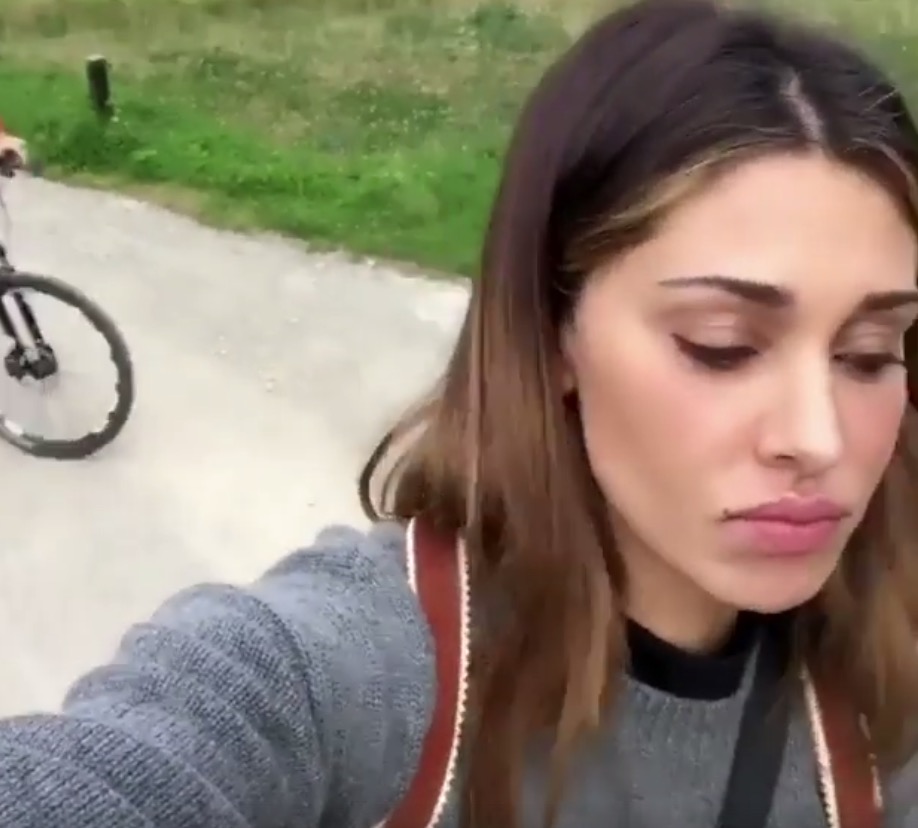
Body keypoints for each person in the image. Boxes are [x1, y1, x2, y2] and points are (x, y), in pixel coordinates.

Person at [2, 0, 918, 824]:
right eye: (721, 344)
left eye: (872, 353)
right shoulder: (347, 675)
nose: (817, 437)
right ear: (551, 330)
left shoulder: (887, 702)